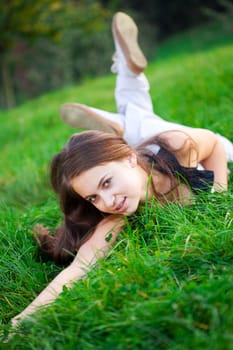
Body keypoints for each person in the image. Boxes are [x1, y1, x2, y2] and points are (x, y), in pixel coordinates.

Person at [11, 11, 233, 328]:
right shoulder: (114, 216)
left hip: (156, 147)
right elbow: (79, 268)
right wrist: (23, 318)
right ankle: (125, 103)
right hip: (134, 150)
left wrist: (218, 195)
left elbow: (211, 142)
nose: (106, 201)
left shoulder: (176, 147)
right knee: (138, 112)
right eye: (93, 198)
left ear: (127, 157)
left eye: (105, 183)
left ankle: (125, 123)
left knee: (227, 149)